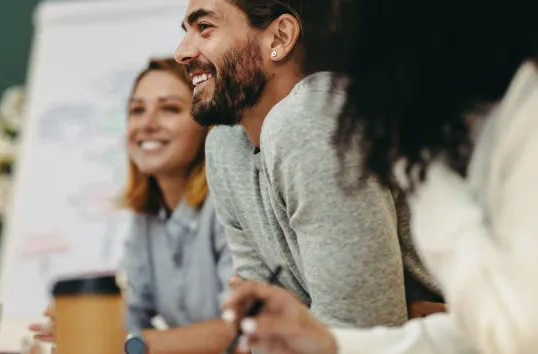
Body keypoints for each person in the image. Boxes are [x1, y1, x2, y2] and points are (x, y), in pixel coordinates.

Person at [221, 0, 538, 353]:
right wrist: (332, 343)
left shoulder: (522, 116)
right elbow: (487, 331)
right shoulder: (465, 123)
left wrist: (424, 171)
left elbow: (515, 330)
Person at [175, 0, 441, 332]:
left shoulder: (312, 117)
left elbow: (363, 332)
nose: (182, 52)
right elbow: (265, 326)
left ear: (279, 38)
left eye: (205, 28)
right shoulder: (225, 147)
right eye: (186, 32)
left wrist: (305, 323)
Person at [29, 58, 236, 354]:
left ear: (206, 125)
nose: (147, 124)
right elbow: (131, 313)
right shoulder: (148, 217)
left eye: (170, 108)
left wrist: (128, 344)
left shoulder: (228, 203)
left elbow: (240, 328)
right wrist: (87, 322)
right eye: (137, 110)